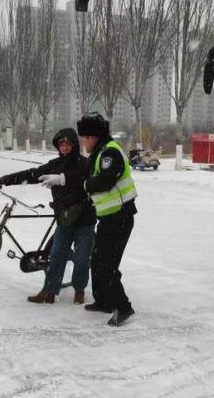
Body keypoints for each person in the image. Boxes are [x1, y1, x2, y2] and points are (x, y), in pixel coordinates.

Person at [0, 128, 96, 304]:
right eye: (61, 143)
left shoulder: (85, 164)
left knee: (82, 259)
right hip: (64, 219)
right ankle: (49, 292)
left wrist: (62, 178)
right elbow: (32, 174)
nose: (64, 146)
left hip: (85, 220)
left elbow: (82, 178)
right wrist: (4, 179)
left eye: (67, 143)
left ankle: (79, 291)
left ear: (74, 144)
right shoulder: (54, 164)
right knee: (56, 256)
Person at [77, 112, 138, 326]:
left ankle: (123, 307)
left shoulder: (109, 153)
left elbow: (104, 182)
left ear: (94, 136)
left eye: (85, 137)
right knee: (98, 260)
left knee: (106, 265)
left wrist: (85, 187)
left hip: (120, 218)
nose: (83, 142)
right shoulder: (100, 152)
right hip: (108, 218)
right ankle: (103, 301)